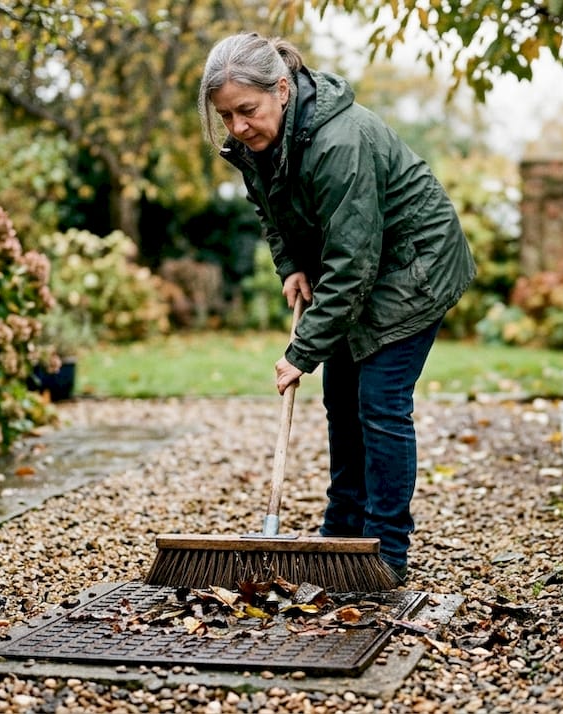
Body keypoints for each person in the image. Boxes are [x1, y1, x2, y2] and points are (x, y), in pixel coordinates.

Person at [198, 33, 476, 585]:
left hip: (413, 266)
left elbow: (353, 265)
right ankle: (343, 533)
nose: (238, 127)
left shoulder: (337, 142)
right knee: (340, 399)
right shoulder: (260, 144)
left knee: (379, 401)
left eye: (246, 111)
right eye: (226, 116)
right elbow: (272, 212)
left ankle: (386, 554)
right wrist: (292, 267)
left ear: (281, 89)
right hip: (360, 265)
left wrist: (301, 352)